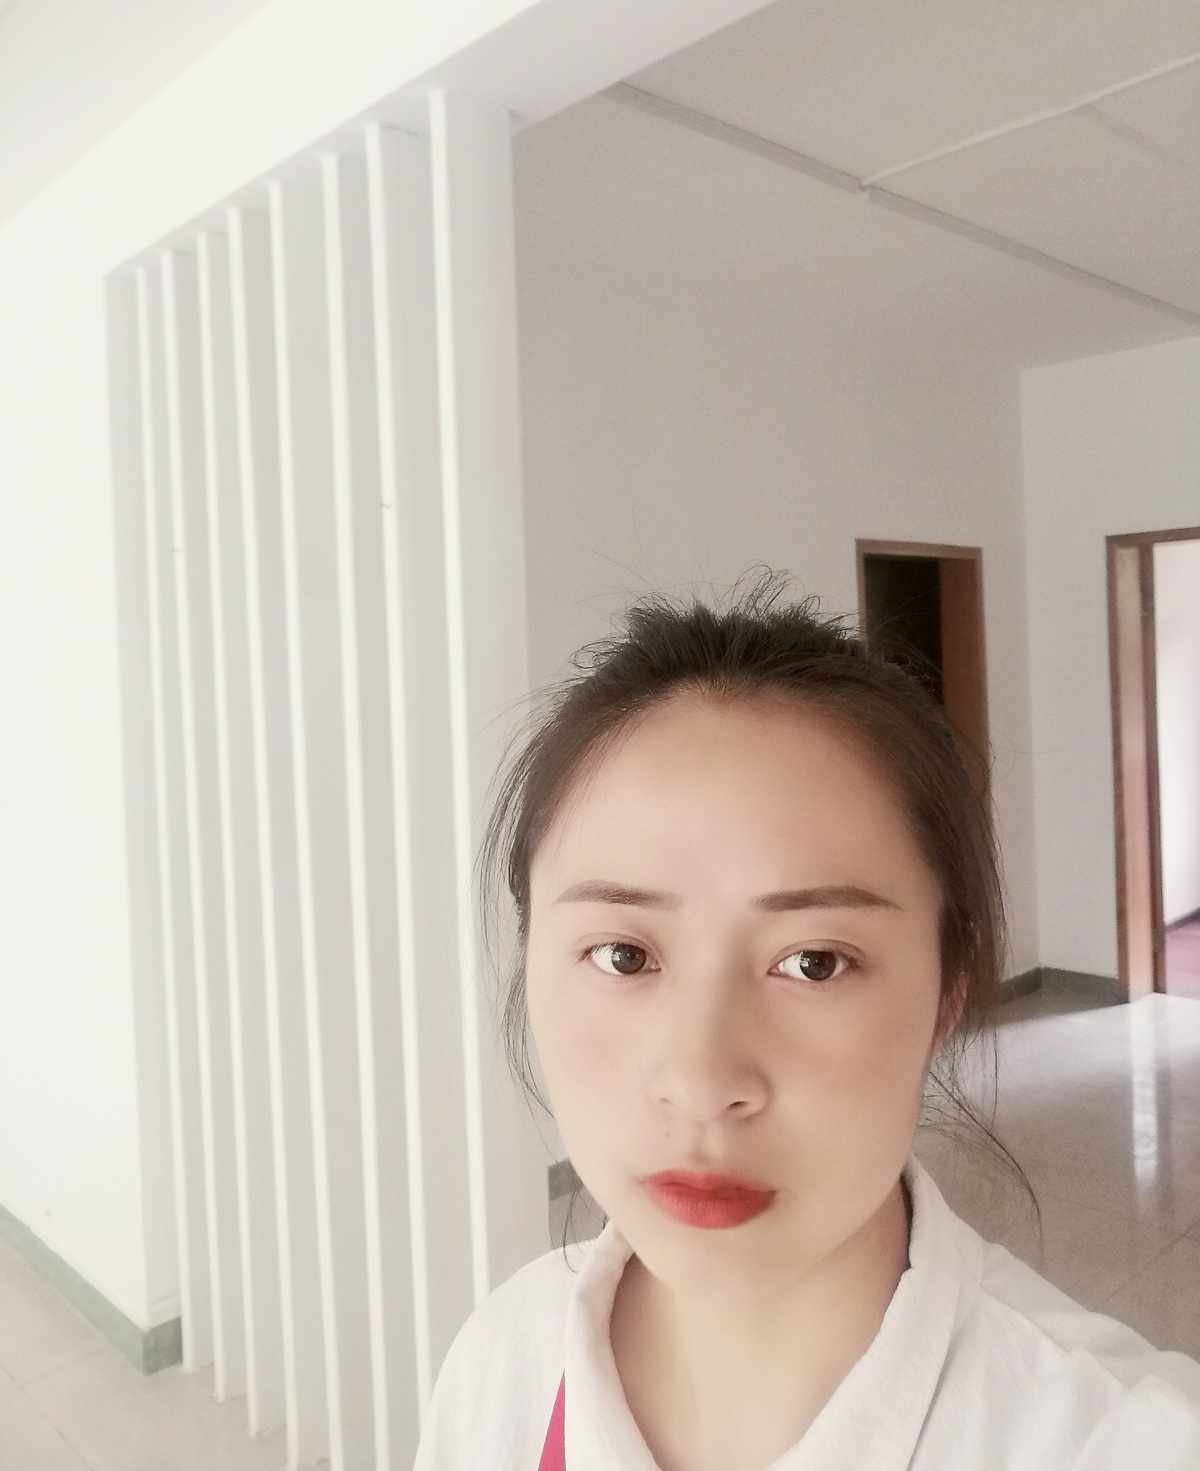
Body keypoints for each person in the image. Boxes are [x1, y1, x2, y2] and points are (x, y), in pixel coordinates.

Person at [412, 569, 1200, 1470]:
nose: (702, 1083)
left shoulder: (1123, 1442)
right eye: (623, 955)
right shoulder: (501, 1366)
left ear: (949, 989)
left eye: (814, 962)